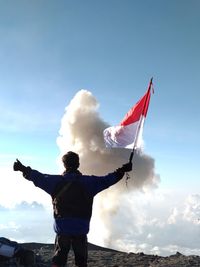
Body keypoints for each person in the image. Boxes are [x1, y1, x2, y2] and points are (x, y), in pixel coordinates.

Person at [13, 151, 132, 267]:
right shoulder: (89, 182)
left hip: (62, 228)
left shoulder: (54, 182)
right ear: (78, 164)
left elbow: (38, 177)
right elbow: (107, 180)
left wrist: (22, 168)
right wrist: (122, 171)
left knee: (59, 260)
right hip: (81, 228)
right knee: (81, 261)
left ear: (64, 165)